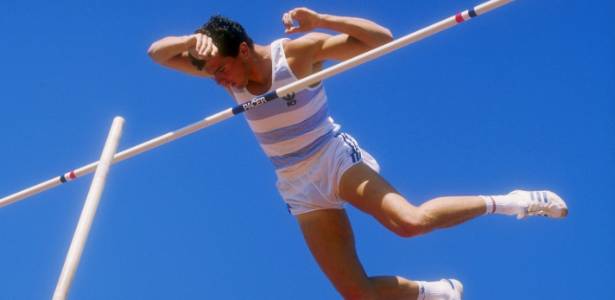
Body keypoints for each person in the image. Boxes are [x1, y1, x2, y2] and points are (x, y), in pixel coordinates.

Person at [148, 7, 568, 300]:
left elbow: (381, 39)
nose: (219, 80)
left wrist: (322, 20)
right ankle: (438, 292)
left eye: (221, 68)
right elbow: (157, 53)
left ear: (243, 49)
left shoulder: (293, 54)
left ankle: (512, 202)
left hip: (331, 156)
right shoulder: (222, 70)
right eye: (213, 73)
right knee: (357, 294)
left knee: (410, 222)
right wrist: (191, 41)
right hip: (295, 183)